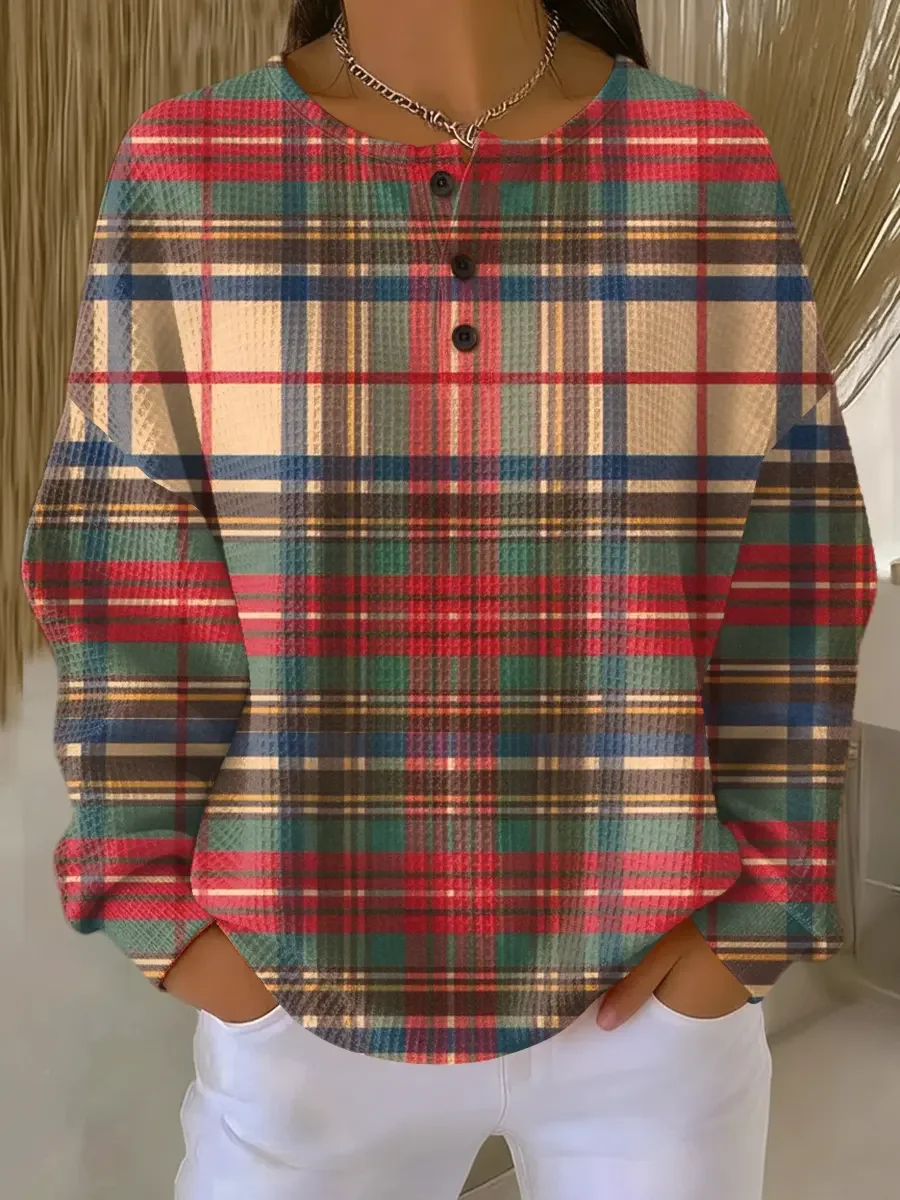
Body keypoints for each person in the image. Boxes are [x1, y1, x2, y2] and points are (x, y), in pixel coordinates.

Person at [21, 1, 878, 1197]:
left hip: (651, 1002)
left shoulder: (703, 163)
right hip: (297, 1000)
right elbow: (124, 563)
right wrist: (168, 917)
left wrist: (757, 919)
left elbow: (795, 551)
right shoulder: (194, 165)